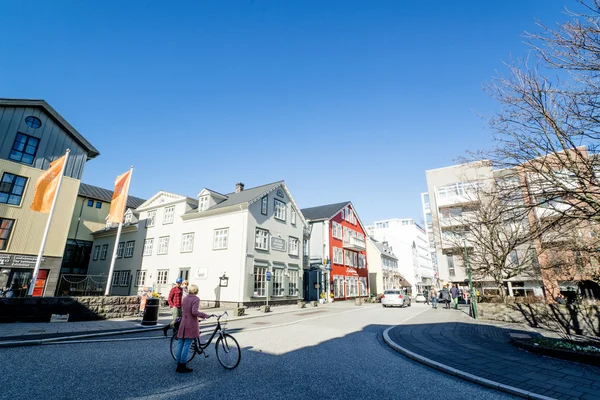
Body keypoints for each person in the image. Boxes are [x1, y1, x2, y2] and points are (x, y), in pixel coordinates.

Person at [175, 284, 209, 373]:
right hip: (190, 324)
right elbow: (194, 312)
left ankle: (178, 363)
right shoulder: (196, 299)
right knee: (187, 344)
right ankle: (182, 366)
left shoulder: (185, 298)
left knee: (180, 343)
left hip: (183, 323)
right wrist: (204, 315)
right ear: (196, 291)